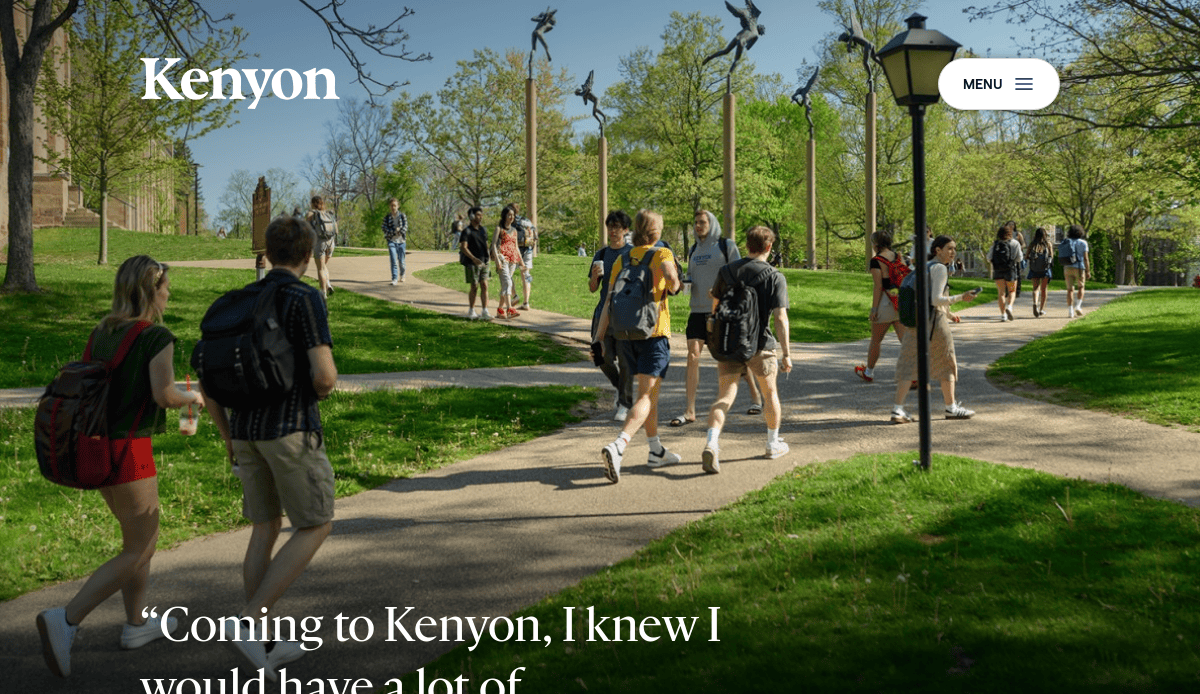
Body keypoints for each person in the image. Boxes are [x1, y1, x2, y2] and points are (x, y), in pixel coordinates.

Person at [36, 255, 203, 678]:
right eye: (165, 287)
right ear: (152, 289)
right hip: (131, 450)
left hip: (94, 445)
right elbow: (165, 395)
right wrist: (194, 398)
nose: (169, 293)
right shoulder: (156, 336)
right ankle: (67, 619)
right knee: (142, 546)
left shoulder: (103, 331)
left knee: (134, 541)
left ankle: (136, 625)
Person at [201, 216, 337, 680]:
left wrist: (227, 438)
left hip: (243, 430)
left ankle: (267, 642)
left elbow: (208, 376)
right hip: (289, 427)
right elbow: (324, 377)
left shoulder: (242, 299)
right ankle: (249, 620)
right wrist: (315, 389)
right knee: (316, 524)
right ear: (307, 254)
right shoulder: (304, 297)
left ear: (268, 251)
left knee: (265, 527)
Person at [594, 209, 682, 483]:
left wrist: (598, 339)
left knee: (649, 394)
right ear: (656, 232)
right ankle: (619, 445)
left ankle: (655, 450)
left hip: (624, 336)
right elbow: (673, 280)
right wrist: (674, 283)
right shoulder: (661, 254)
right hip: (654, 334)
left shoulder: (622, 259)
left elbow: (608, 302)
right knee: (645, 396)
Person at [700, 226, 793, 473]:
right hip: (761, 345)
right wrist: (787, 353)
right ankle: (772, 443)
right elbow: (781, 318)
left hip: (729, 343)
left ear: (747, 245)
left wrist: (715, 338)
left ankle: (712, 442)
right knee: (769, 393)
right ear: (769, 247)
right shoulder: (775, 276)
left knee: (724, 397)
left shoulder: (727, 271)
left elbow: (715, 307)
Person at [671, 209, 761, 428]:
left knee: (733, 358)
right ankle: (690, 411)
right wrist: (684, 283)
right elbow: (691, 276)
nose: (698, 225)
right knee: (692, 356)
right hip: (697, 311)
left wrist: (722, 292)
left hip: (723, 312)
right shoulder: (693, 249)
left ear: (712, 224)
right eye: (696, 222)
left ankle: (756, 397)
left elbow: (741, 275)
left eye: (703, 222)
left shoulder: (726, 246)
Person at [891, 235, 980, 423]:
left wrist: (949, 314)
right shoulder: (939, 268)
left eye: (954, 249)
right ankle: (951, 407)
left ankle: (897, 409)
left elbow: (927, 296)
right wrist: (961, 297)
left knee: (908, 363)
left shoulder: (921, 268)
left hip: (915, 322)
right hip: (934, 322)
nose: (953, 252)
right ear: (937, 250)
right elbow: (936, 300)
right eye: (949, 248)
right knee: (947, 361)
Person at [589, 210, 635, 421]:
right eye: (610, 227)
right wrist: (595, 277)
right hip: (603, 312)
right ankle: (620, 388)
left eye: (617, 227)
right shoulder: (601, 255)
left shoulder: (633, 254)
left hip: (625, 313)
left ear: (626, 230)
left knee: (626, 359)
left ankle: (624, 404)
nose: (613, 231)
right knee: (600, 356)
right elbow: (592, 288)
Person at [855, 228, 909, 383]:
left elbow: (878, 286)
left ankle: (869, 372)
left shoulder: (876, 261)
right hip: (900, 302)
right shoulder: (899, 257)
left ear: (876, 244)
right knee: (906, 341)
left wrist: (874, 309)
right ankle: (913, 374)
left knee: (876, 340)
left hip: (885, 303)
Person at [492, 205, 527, 319]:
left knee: (505, 285)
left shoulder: (515, 231)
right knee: (508, 283)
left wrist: (522, 263)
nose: (511, 217)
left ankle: (500, 310)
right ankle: (510, 309)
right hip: (502, 258)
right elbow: (493, 245)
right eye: (509, 215)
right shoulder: (499, 229)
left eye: (513, 215)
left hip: (513, 261)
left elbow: (516, 247)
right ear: (504, 216)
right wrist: (497, 260)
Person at [459, 206, 491, 320]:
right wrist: (473, 259)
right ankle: (471, 310)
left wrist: (490, 255)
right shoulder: (466, 231)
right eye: (478, 214)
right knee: (474, 286)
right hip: (472, 263)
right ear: (472, 216)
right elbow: (463, 247)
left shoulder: (484, 230)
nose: (480, 216)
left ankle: (484, 311)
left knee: (485, 285)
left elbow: (486, 244)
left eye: (481, 214)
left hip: (484, 261)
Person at [987, 224, 1023, 322]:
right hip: (1010, 270)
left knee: (1001, 293)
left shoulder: (996, 244)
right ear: (1010, 233)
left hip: (998, 270)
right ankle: (1010, 307)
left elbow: (989, 258)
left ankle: (1003, 315)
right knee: (1012, 291)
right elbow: (1020, 258)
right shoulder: (1015, 243)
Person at [306, 196, 338, 298]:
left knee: (320, 268)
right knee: (324, 266)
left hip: (320, 243)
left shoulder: (311, 214)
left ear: (312, 203)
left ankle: (323, 293)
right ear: (322, 203)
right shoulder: (329, 214)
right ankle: (328, 285)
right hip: (331, 243)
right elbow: (336, 230)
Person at [1063, 224, 1092, 317]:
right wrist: (1088, 271)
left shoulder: (1065, 242)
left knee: (1069, 290)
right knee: (1081, 287)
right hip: (1079, 267)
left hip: (1067, 267)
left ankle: (1070, 311)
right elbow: (1086, 258)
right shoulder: (1083, 243)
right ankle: (1078, 306)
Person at [512, 203, 537, 310]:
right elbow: (535, 237)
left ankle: (514, 296)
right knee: (526, 276)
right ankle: (526, 302)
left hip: (514, 250)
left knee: (508, 275)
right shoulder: (527, 221)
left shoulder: (510, 222)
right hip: (528, 251)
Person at [1026, 227, 1054, 317]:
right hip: (1045, 269)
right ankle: (1041, 309)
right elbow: (1051, 256)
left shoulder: (1032, 244)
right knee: (1044, 289)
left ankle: (1035, 304)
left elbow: (1026, 256)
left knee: (1035, 288)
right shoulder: (1048, 244)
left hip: (1034, 269)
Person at [382, 197, 408, 286]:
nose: (393, 207)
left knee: (401, 261)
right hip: (391, 241)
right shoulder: (387, 217)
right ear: (389, 206)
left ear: (398, 206)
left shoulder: (402, 216)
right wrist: (394, 231)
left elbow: (405, 228)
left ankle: (403, 274)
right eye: (391, 205)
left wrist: (399, 230)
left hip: (401, 241)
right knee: (393, 260)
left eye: (395, 205)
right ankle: (394, 278)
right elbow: (384, 228)